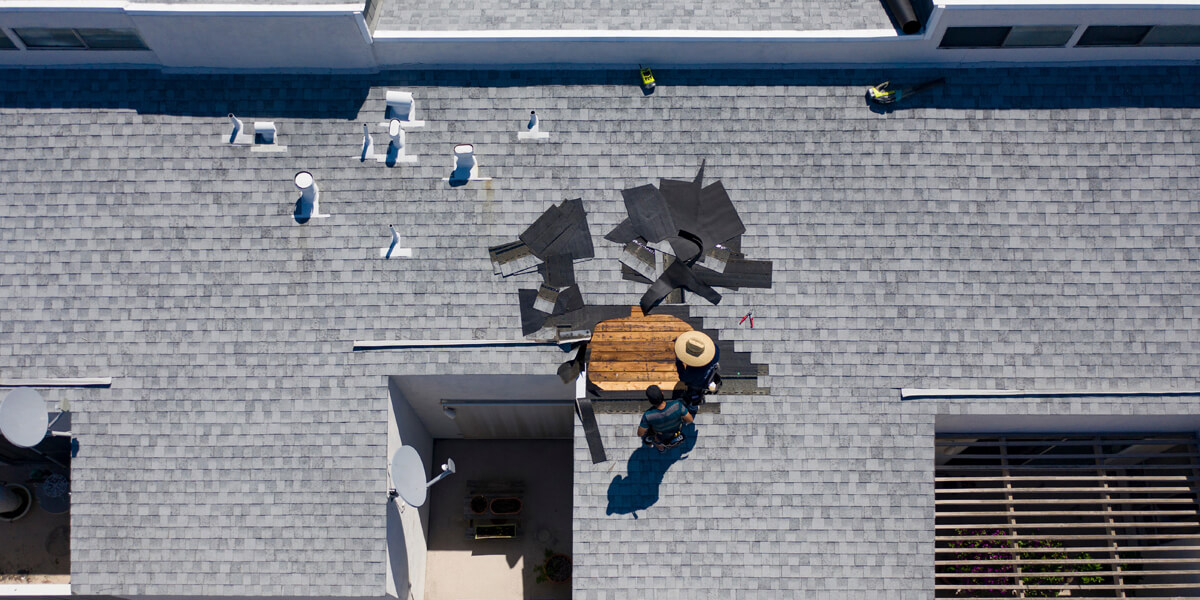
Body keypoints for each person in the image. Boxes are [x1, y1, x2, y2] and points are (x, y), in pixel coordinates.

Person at [674, 330, 720, 413]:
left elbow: (682, 374)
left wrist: (677, 355)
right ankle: (694, 404)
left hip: (697, 383)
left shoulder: (690, 374)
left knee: (692, 394)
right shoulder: (716, 350)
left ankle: (692, 406)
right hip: (707, 379)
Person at [637, 385, 693, 453]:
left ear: (650, 401)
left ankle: (661, 449)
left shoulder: (648, 415)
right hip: (676, 430)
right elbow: (690, 420)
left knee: (654, 437)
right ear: (662, 394)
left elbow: (640, 433)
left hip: (661, 435)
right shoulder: (677, 405)